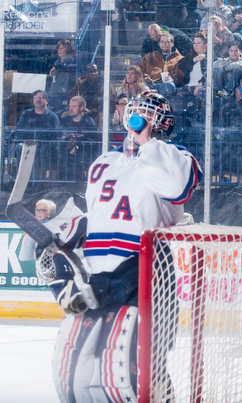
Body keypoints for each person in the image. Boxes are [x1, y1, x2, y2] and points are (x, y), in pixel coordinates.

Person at [49, 90, 202, 402]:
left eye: (148, 112)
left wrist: (147, 143)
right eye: (134, 110)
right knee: (82, 371)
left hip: (144, 269)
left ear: (163, 122)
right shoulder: (104, 162)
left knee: (137, 367)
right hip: (97, 274)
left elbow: (177, 188)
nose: (138, 117)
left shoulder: (177, 158)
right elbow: (99, 215)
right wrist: (66, 244)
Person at [139, 32, 185, 98]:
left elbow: (183, 76)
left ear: (172, 43)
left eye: (167, 42)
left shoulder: (180, 58)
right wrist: (145, 77)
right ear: (159, 44)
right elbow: (140, 69)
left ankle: (159, 104)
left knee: (169, 85)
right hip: (151, 84)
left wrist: (173, 79)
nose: (164, 44)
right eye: (162, 42)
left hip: (166, 84)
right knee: (141, 86)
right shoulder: (150, 56)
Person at [48, 39, 76, 113]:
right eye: (58, 48)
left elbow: (66, 66)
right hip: (54, 94)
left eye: (62, 48)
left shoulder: (71, 60)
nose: (59, 50)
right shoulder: (56, 62)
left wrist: (57, 68)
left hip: (64, 94)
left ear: (68, 49)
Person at [177, 32, 208, 98]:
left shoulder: (209, 58)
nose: (195, 45)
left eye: (198, 43)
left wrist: (200, 84)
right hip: (189, 86)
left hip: (202, 87)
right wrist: (194, 59)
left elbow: (209, 73)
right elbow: (180, 65)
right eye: (194, 43)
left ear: (205, 45)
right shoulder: (191, 56)